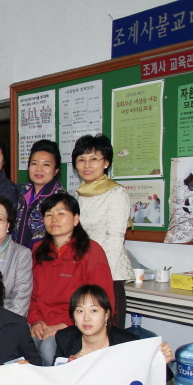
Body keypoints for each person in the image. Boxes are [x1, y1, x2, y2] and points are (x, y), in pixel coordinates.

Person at [28, 193, 115, 366]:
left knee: (49, 348)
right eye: (48, 214)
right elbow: (31, 293)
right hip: (43, 322)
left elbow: (103, 300)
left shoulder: (91, 251)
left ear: (76, 219)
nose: (54, 219)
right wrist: (36, 320)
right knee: (25, 345)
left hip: (78, 323)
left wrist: (66, 325)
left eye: (61, 213)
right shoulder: (38, 250)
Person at [71, 134, 134, 328]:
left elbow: (114, 239)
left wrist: (97, 273)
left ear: (106, 163)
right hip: (81, 272)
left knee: (109, 334)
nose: (86, 165)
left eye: (94, 159)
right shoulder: (78, 195)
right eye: (81, 159)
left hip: (107, 274)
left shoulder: (116, 193)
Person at [54, 284, 173, 364]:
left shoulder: (127, 342)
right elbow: (55, 380)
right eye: (80, 311)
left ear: (106, 314)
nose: (86, 318)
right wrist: (73, 364)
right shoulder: (64, 338)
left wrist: (160, 361)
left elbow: (149, 378)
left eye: (93, 310)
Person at [13, 139, 65, 249]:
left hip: (42, 255)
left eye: (46, 164)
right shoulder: (24, 192)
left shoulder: (59, 198)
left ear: (56, 170)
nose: (39, 169)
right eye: (34, 164)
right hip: (19, 255)